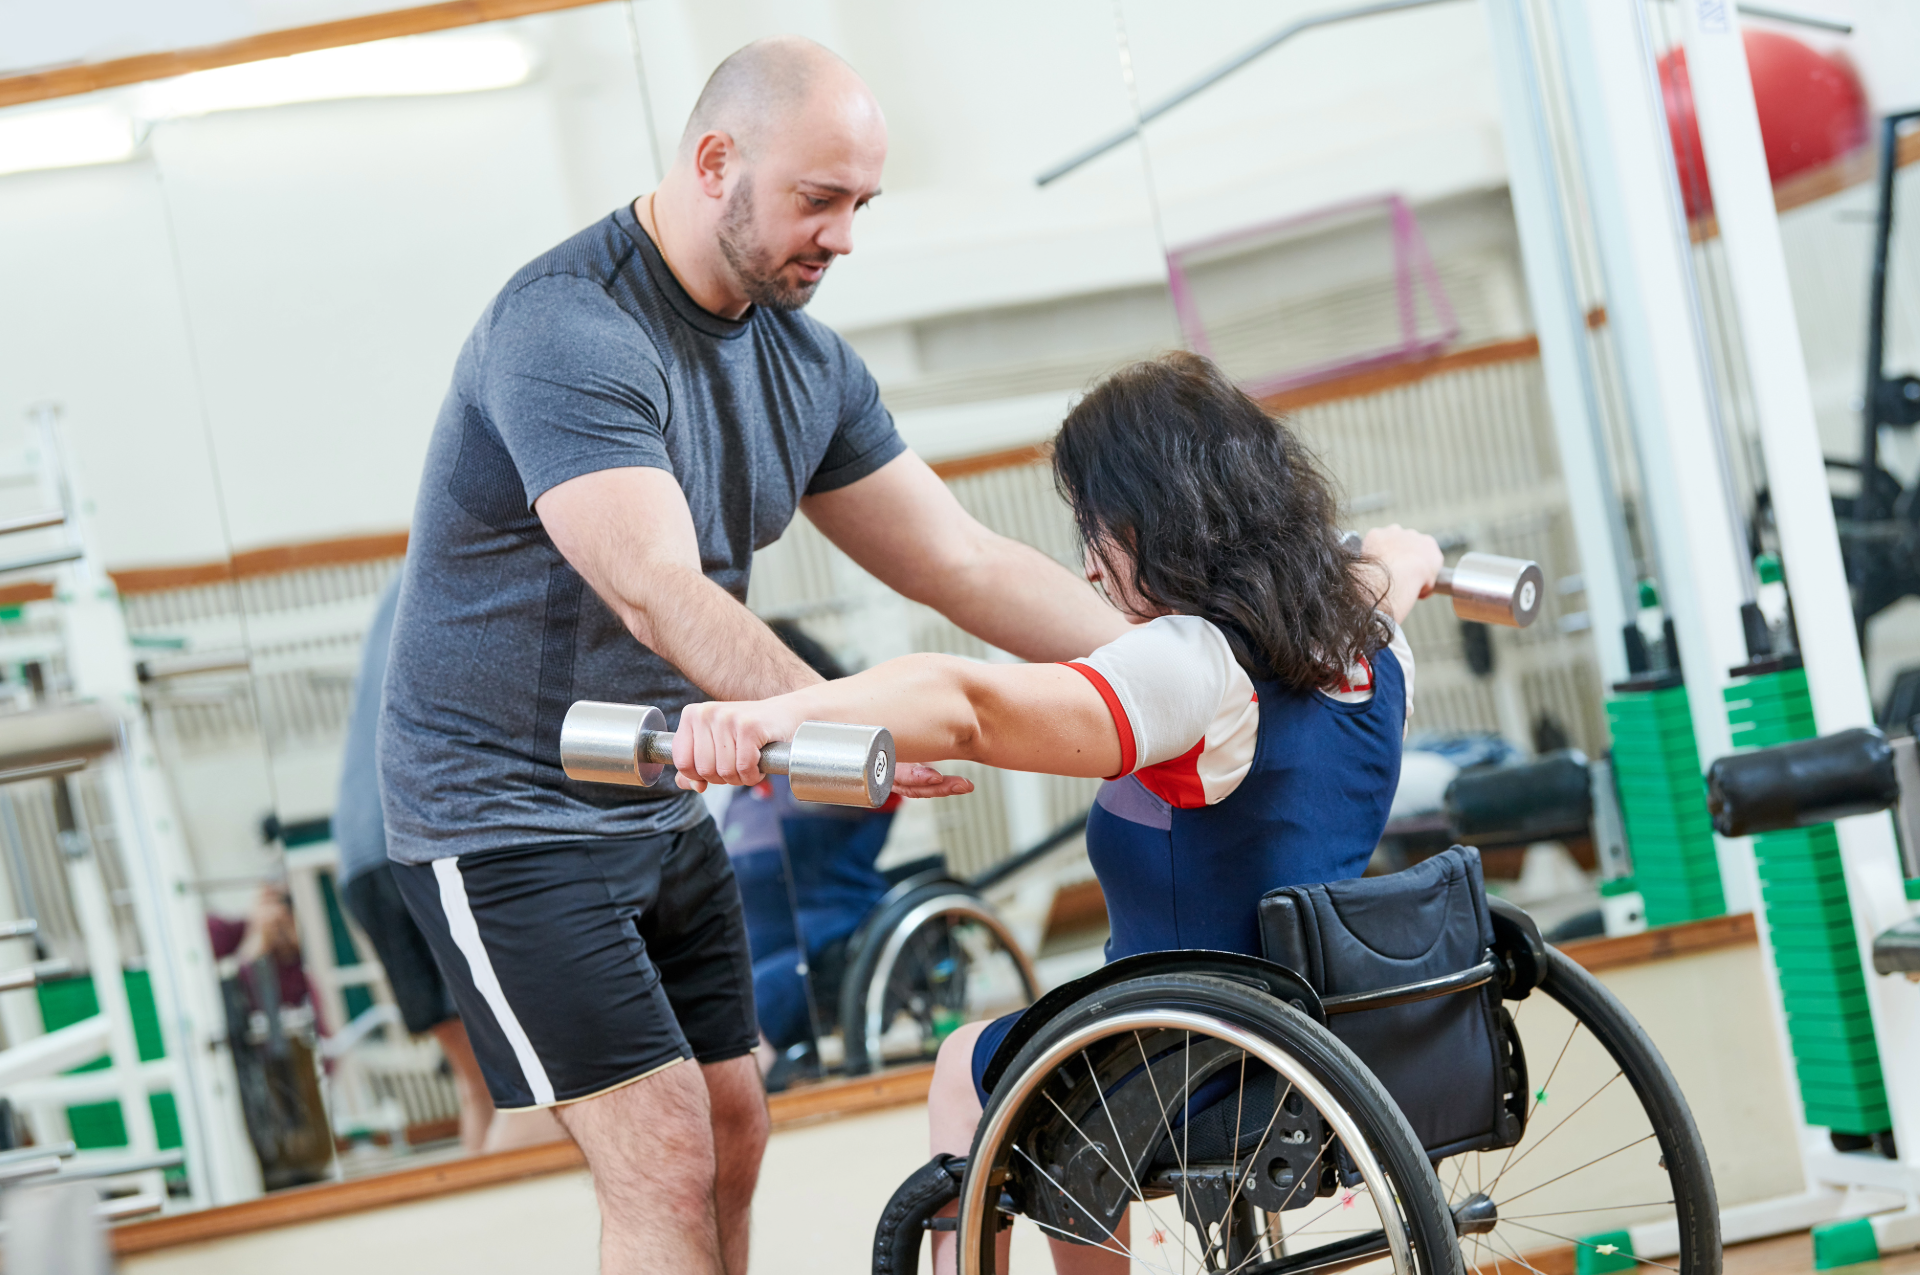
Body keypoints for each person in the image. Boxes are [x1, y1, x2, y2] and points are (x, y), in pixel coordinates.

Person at [376, 35, 1128, 1275]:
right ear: (715, 161)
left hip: (661, 805)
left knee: (732, 1125)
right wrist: (839, 725)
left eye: (859, 205)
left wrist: (1180, 662)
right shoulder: (566, 329)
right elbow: (658, 592)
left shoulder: (807, 363)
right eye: (816, 201)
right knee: (665, 1151)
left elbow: (965, 563)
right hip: (497, 815)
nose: (841, 237)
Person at [670, 352, 1444, 1275]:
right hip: (1323, 1032)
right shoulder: (1373, 650)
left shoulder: (1195, 664)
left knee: (974, 1065)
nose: (1089, 566)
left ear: (1149, 523)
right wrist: (1412, 555)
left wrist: (773, 711)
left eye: (1096, 531)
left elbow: (968, 705)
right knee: (1070, 1046)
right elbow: (1393, 572)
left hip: (1188, 1052)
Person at [336, 577, 563, 1154]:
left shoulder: (409, 583)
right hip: (424, 840)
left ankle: (495, 1231)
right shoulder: (481, 569)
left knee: (484, 1086)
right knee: (534, 1081)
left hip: (367, 855)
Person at [719, 621, 895, 1083]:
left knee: (740, 1017)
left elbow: (888, 775)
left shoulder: (838, 764)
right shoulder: (732, 788)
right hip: (745, 950)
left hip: (827, 939)